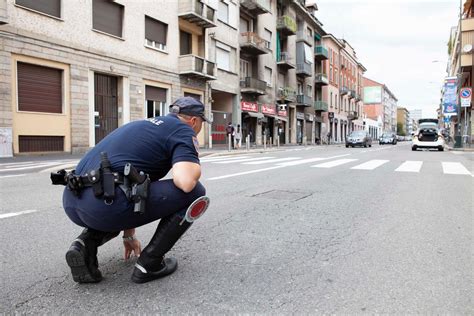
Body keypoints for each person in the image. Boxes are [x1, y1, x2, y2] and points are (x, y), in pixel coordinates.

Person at [57, 96, 210, 284]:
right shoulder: (183, 130)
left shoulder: (142, 125)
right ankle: (150, 264)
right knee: (196, 193)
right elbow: (185, 182)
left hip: (73, 201)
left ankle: (84, 245)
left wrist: (129, 235)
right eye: (203, 122)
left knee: (114, 201)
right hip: (104, 205)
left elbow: (133, 183)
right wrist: (194, 161)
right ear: (194, 121)